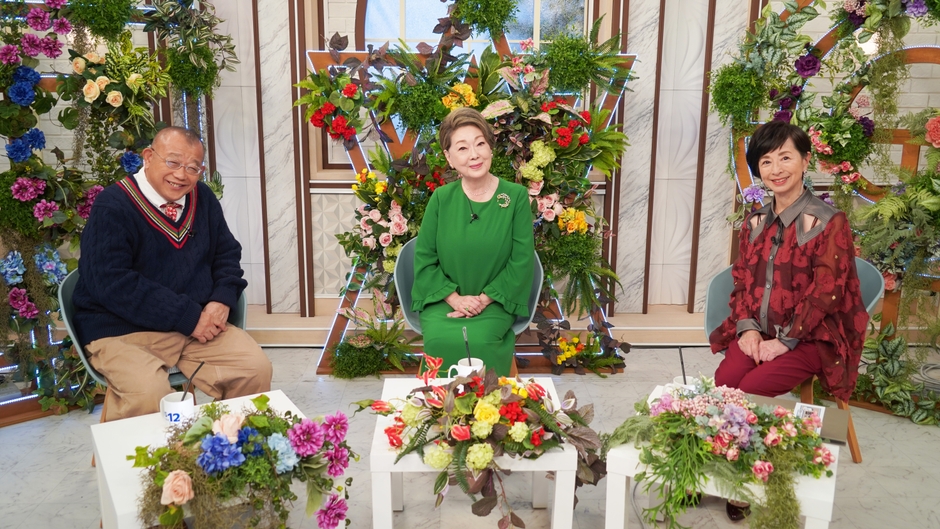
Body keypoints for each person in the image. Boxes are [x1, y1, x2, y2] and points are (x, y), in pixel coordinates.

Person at [709, 120, 868, 521]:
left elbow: (827, 292)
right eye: (766, 161)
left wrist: (785, 341)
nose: (776, 169)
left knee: (753, 389)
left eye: (785, 157)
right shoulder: (755, 221)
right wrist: (746, 328)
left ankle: (745, 482)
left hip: (812, 337)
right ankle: (719, 469)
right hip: (758, 330)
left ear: (805, 160)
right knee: (726, 382)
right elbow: (743, 279)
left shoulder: (829, 222)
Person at [73, 126, 272, 422]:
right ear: (148, 157)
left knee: (254, 368)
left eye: (193, 168)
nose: (181, 175)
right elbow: (111, 282)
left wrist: (221, 300)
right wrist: (189, 317)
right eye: (173, 162)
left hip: (194, 326)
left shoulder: (203, 198)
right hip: (122, 330)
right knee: (148, 394)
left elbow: (227, 254)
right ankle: (139, 453)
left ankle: (228, 444)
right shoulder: (112, 205)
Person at [411, 107, 535, 375]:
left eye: (480, 144)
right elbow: (425, 258)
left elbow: (522, 259)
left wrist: (483, 299)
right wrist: (455, 299)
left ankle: (493, 401)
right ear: (449, 157)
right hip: (444, 301)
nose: (474, 154)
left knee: (481, 341)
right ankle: (437, 401)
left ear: (490, 148)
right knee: (440, 341)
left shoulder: (515, 197)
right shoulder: (441, 199)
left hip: (496, 301)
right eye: (462, 148)